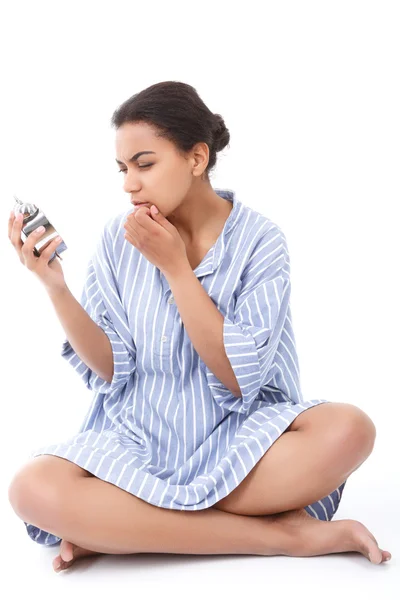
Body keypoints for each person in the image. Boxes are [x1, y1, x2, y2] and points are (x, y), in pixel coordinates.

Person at [7, 81, 391, 572]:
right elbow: (108, 370)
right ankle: (280, 536)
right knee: (31, 488)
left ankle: (128, 527)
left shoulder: (261, 242)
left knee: (350, 430)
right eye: (123, 169)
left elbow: (237, 377)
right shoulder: (116, 238)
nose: (129, 184)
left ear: (196, 158)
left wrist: (176, 269)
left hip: (243, 444)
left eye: (145, 164)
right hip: (137, 442)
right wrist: (54, 286)